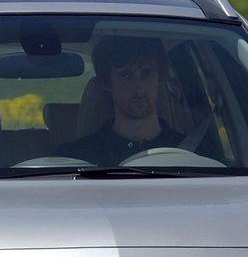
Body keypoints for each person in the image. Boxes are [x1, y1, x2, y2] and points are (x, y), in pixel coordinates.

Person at [56, 36, 185, 165]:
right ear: (106, 82)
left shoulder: (190, 151)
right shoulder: (73, 159)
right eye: (125, 75)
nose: (138, 87)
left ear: (160, 78)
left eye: (146, 73)